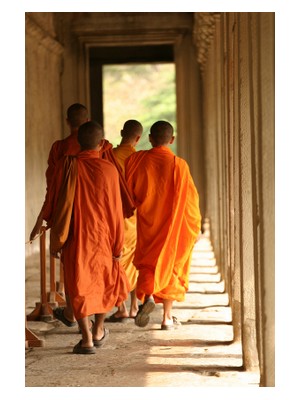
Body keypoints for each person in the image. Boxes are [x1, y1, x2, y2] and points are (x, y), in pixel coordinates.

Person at [42, 120, 130, 354]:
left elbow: (53, 197)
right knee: (104, 283)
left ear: (78, 142)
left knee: (77, 284)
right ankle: (99, 328)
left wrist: (48, 223)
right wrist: (118, 244)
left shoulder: (66, 165)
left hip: (75, 235)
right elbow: (115, 211)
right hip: (103, 236)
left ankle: (87, 337)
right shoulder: (110, 170)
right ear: (102, 144)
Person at [125, 121, 201, 330]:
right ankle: (167, 318)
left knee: (149, 262)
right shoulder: (180, 165)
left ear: (150, 138)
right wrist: (195, 227)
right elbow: (191, 202)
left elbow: (127, 194)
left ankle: (148, 296)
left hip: (148, 223)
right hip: (173, 227)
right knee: (172, 264)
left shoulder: (136, 160)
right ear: (172, 140)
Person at [106, 120, 143, 322]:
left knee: (117, 260)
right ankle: (135, 306)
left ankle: (121, 307)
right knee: (135, 259)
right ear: (138, 138)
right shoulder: (139, 158)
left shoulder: (109, 157)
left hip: (115, 217)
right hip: (135, 217)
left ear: (121, 133)